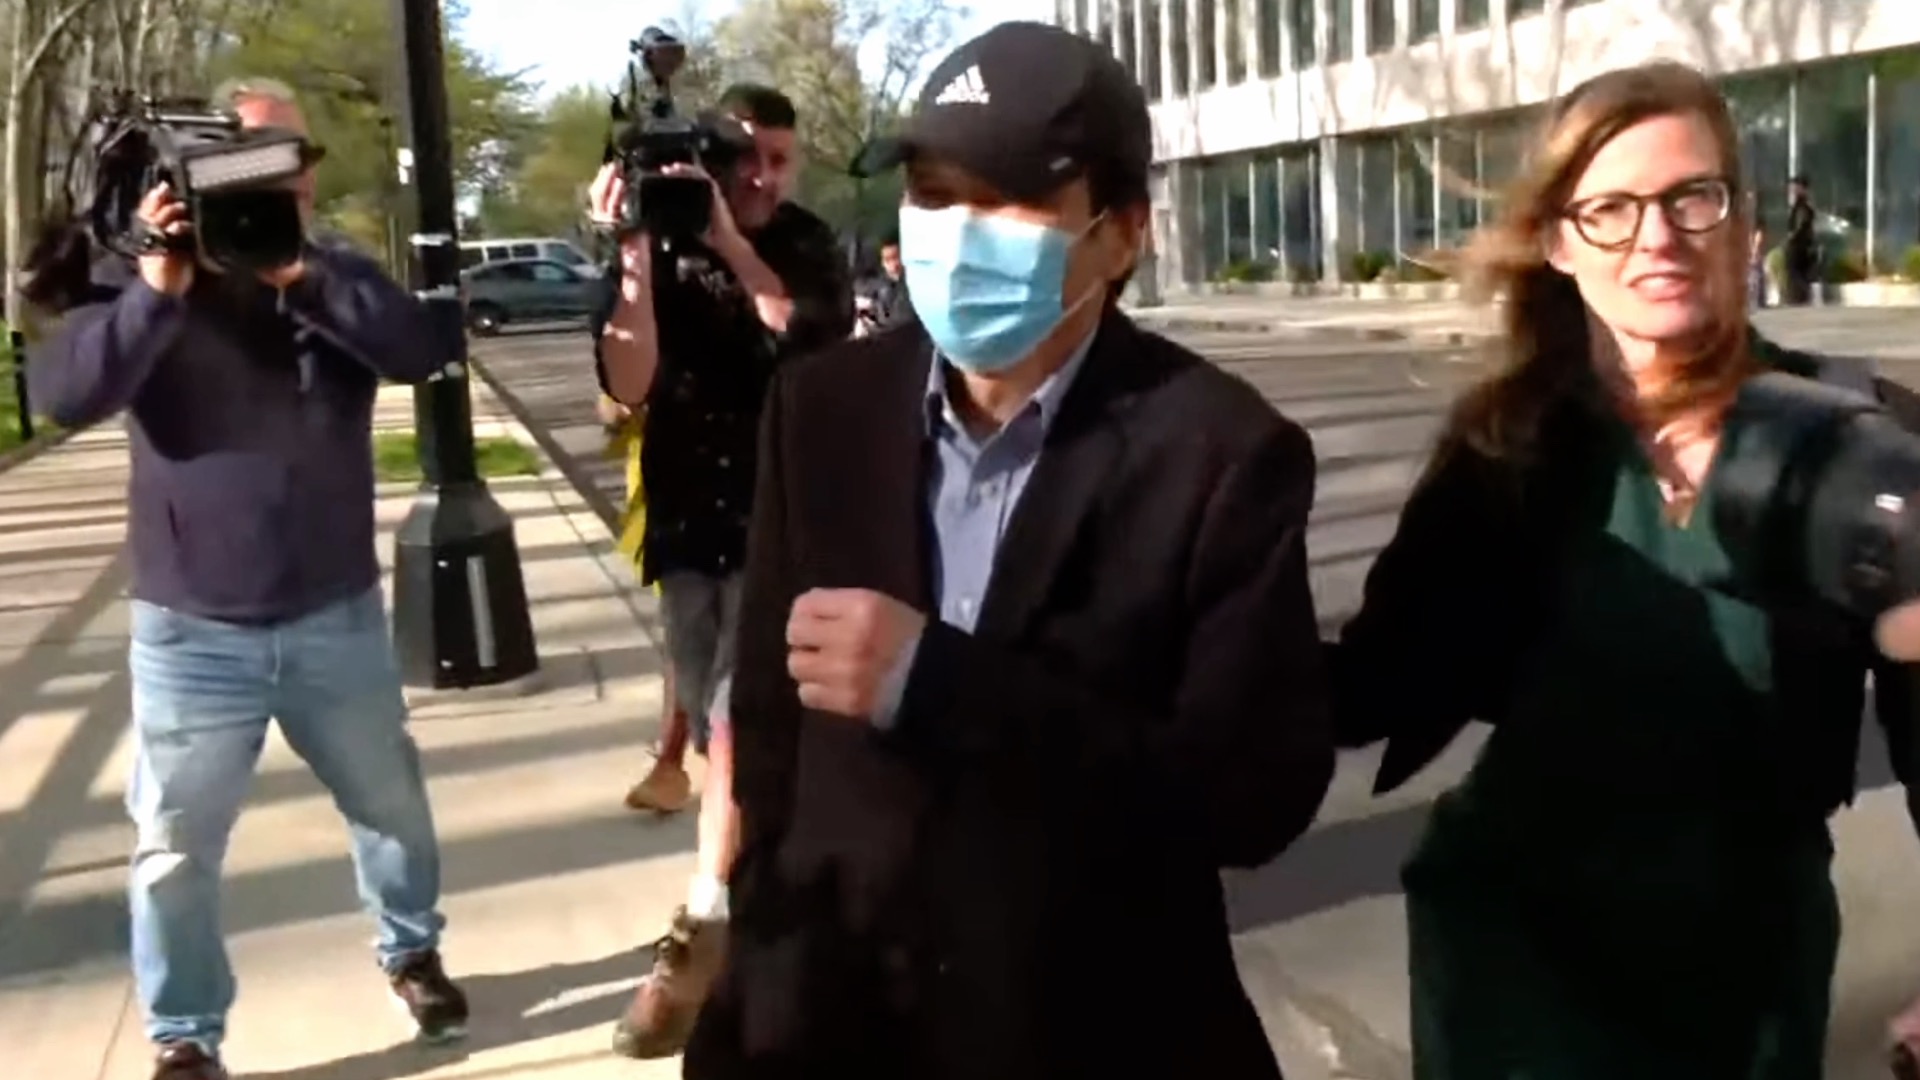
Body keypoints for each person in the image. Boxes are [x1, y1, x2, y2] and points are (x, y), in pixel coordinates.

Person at [684, 22, 1336, 1080]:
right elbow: (767, 726)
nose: (958, 233)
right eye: (934, 194)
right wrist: (759, 967)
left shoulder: (1223, 453)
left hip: (1091, 1029)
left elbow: (1252, 797)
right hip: (839, 1026)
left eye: (1007, 201)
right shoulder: (821, 408)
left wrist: (941, 684)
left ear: (1122, 236)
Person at [1329, 61, 1920, 1080]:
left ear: (1744, 225)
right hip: (1519, 966)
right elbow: (1376, 680)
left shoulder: (1861, 442)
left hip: (1751, 966)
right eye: (1609, 209)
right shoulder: (1507, 445)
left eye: (1693, 197)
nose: (1657, 237)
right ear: (1559, 243)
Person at [28, 78, 466, 1080]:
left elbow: (423, 349)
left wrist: (300, 278)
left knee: (391, 807)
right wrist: (156, 289)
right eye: (248, 160)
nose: (278, 178)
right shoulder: (145, 272)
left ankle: (412, 951)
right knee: (174, 849)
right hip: (192, 629)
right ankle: (185, 1034)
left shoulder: (332, 270)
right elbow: (65, 394)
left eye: (292, 161)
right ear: (196, 170)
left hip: (334, 614)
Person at [586, 81, 853, 1058]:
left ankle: (704, 927)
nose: (762, 177)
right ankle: (765, 887)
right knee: (715, 729)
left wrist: (735, 246)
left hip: (786, 521)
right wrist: (632, 255)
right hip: (688, 523)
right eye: (745, 159)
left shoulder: (805, 243)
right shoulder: (652, 244)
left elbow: (812, 340)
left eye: (779, 159)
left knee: (739, 722)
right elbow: (627, 382)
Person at [598, 391, 697, 814]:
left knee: (693, 635)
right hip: (669, 491)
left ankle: (672, 761)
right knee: (685, 632)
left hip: (725, 484)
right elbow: (611, 408)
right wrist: (624, 403)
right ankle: (671, 761)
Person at [853, 235, 914, 335]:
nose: (893, 263)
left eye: (896, 257)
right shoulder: (879, 282)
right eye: (887, 259)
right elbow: (859, 288)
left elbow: (901, 321)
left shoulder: (911, 284)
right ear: (882, 263)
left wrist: (870, 324)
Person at [1782, 172, 1817, 305]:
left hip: (1799, 246)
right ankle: (1796, 297)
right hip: (1799, 245)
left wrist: (1792, 236)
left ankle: (1798, 297)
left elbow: (1802, 224)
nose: (1793, 189)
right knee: (1795, 273)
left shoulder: (1803, 206)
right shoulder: (1800, 205)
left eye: (1796, 186)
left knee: (1796, 272)